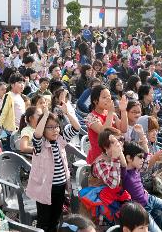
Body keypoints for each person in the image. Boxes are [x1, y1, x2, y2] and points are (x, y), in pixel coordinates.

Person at [26, 104, 80, 232]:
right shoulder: (40, 145)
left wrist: (67, 113)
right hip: (45, 189)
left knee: (56, 218)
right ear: (43, 129)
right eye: (50, 127)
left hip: (60, 186)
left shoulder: (60, 140)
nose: (55, 130)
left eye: (56, 126)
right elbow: (37, 134)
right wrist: (45, 115)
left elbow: (76, 128)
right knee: (44, 220)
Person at [122, 142, 162, 232]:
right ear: (128, 158)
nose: (142, 160)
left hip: (149, 198)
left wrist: (142, 137)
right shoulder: (124, 174)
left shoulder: (137, 168)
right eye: (139, 157)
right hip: (141, 208)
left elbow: (147, 155)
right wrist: (118, 148)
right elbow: (122, 161)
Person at [85, 85, 128, 164]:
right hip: (98, 159)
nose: (108, 99)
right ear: (95, 101)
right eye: (104, 97)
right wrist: (111, 112)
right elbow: (104, 133)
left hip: (114, 155)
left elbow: (123, 129)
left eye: (109, 96)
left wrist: (123, 110)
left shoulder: (110, 113)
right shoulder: (91, 117)